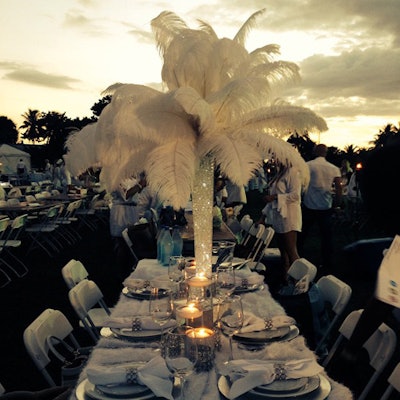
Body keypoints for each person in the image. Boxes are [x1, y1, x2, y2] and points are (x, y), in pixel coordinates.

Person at [299, 144, 342, 270]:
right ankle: (327, 262)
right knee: (326, 236)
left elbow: (301, 184)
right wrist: (337, 204)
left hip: (309, 205)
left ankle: (297, 257)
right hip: (325, 205)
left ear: (315, 152)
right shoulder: (334, 168)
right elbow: (339, 187)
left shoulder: (308, 165)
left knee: (303, 234)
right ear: (326, 153)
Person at [257, 163, 302, 275]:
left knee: (291, 251)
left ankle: (299, 281)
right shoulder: (279, 173)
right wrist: (263, 217)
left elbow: (296, 195)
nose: (274, 159)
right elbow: (272, 200)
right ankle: (285, 278)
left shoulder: (292, 172)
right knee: (283, 251)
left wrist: (275, 197)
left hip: (289, 216)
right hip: (279, 217)